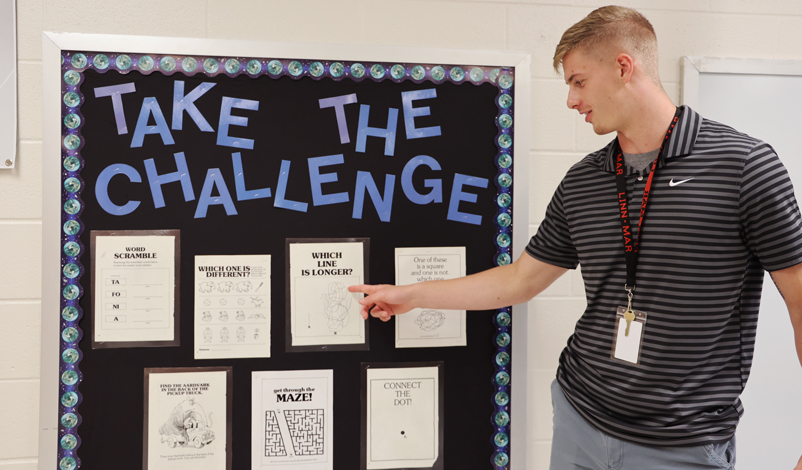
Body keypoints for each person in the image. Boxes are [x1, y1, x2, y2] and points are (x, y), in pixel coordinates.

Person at [349, 5, 802, 470]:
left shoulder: (746, 167)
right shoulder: (584, 180)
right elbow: (520, 280)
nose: (570, 100)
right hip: (579, 420)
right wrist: (413, 295)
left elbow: (800, 302)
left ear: (624, 67)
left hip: (680, 444)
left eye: (578, 81)